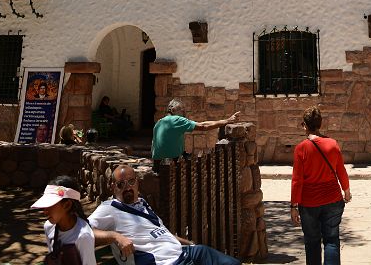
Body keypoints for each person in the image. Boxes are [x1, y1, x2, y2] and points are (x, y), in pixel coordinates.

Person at [89, 163, 241, 265]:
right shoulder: (109, 208)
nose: (127, 187)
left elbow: (163, 233)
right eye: (121, 184)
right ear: (112, 187)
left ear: (137, 183)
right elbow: (84, 230)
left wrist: (191, 244)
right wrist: (116, 236)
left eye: (131, 182)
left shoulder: (142, 204)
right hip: (168, 262)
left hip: (186, 253)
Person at [290, 107, 351, 265]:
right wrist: (347, 191)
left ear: (305, 125)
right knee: (331, 240)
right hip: (332, 200)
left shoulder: (301, 148)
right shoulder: (332, 144)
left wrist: (293, 206)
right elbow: (341, 171)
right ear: (320, 124)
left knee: (312, 243)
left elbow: (297, 180)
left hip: (309, 203)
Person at [151, 99, 240, 167]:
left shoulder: (159, 122)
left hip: (157, 162)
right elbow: (203, 126)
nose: (184, 113)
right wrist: (227, 121)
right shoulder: (177, 120)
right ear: (175, 110)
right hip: (171, 163)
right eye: (182, 111)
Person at [31, 175, 96, 265]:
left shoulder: (83, 236)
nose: (44, 211)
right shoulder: (49, 226)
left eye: (50, 205)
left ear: (67, 205)